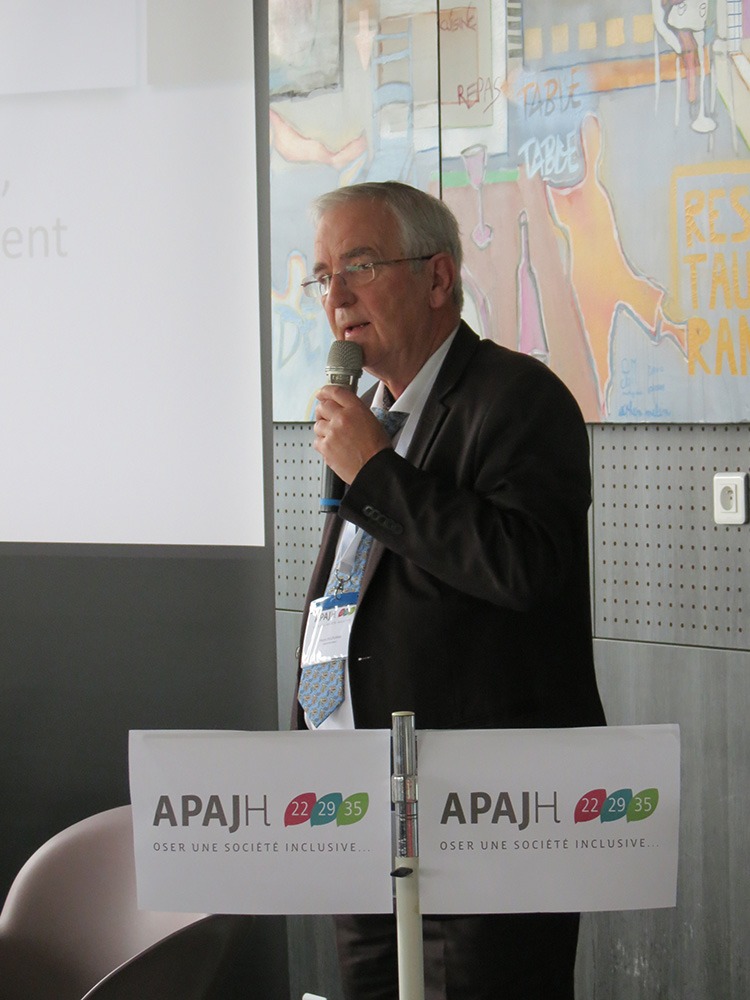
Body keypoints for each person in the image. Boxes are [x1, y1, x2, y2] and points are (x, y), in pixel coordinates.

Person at [291, 181, 605, 1000]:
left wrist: (376, 473)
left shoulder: (518, 399)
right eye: (322, 275)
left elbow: (527, 569)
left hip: (485, 824)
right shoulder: (371, 416)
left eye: (359, 265)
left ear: (437, 278)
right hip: (366, 812)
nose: (336, 296)